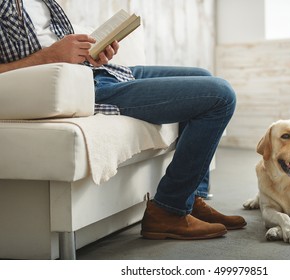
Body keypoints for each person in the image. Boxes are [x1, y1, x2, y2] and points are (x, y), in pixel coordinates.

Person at [0, 0, 246, 240]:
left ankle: (191, 198)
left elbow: (62, 53)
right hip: (81, 89)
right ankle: (169, 210)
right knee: (219, 95)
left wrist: (91, 54)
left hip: (98, 72)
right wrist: (50, 57)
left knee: (203, 76)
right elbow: (50, 58)